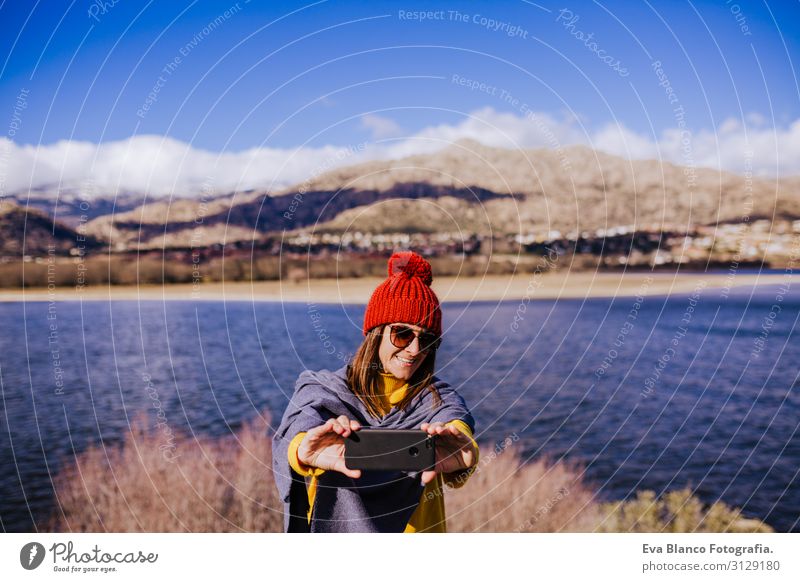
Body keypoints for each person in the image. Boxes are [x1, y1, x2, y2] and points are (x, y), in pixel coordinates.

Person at [272, 251, 479, 532]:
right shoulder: (323, 392)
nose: (415, 350)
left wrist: (466, 455)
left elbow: (457, 424)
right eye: (402, 334)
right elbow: (296, 430)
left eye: (427, 339)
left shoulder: (439, 399)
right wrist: (302, 451)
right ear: (376, 332)